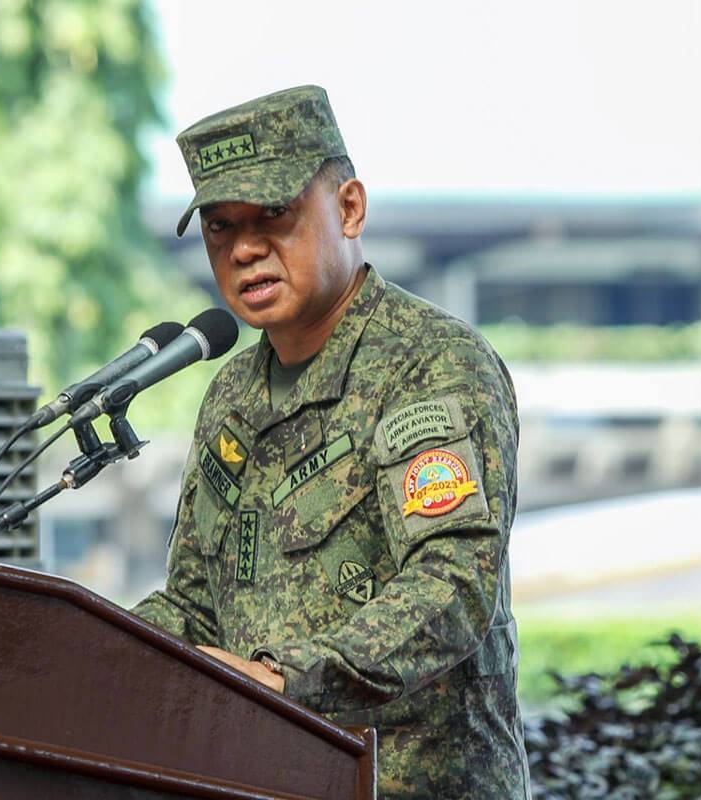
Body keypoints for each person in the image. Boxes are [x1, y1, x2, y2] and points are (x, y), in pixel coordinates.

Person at [133, 85, 531, 799]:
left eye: (274, 215)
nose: (246, 249)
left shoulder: (430, 363)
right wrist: (89, 647)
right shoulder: (231, 395)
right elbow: (193, 608)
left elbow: (452, 584)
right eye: (221, 227)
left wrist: (290, 681)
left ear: (349, 207)